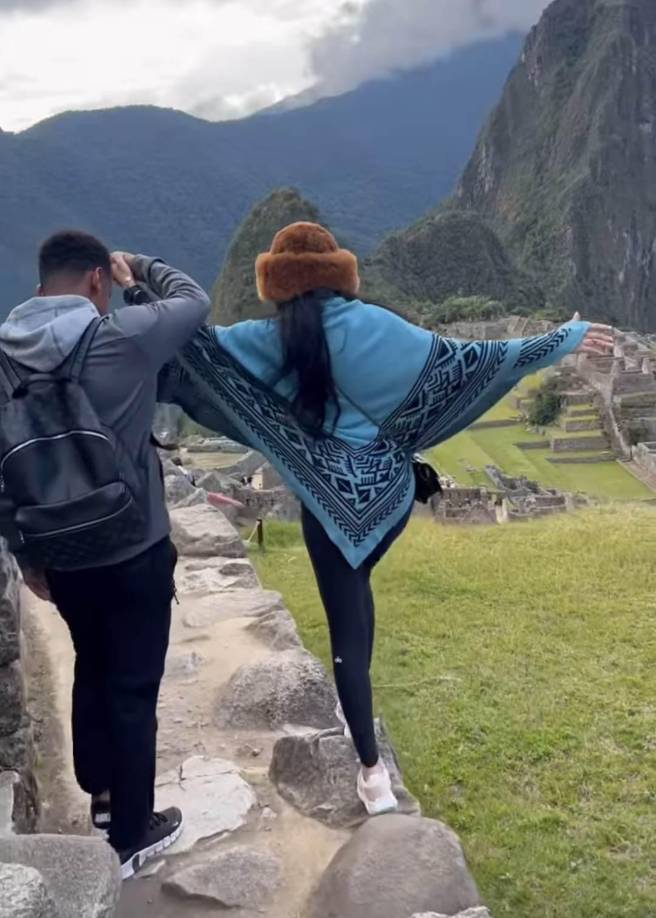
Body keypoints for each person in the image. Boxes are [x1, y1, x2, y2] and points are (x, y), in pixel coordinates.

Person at [151, 221, 613, 816]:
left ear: (277, 283)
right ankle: (363, 732)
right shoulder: (376, 327)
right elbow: (475, 360)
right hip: (388, 499)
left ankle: (371, 774)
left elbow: (198, 350)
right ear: (340, 276)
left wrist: (141, 275)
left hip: (325, 503)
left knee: (346, 625)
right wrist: (566, 335)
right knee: (360, 604)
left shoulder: (262, 339)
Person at [0, 231, 210, 878]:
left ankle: (99, 797)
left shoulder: (4, 360)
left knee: (92, 664)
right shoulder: (121, 336)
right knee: (134, 688)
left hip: (59, 553)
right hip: (134, 545)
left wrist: (26, 556)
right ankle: (130, 835)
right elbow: (193, 301)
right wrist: (137, 267)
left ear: (39, 287)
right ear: (95, 280)